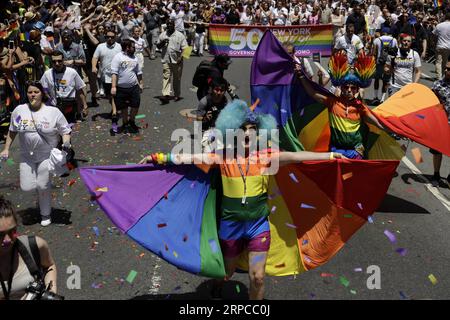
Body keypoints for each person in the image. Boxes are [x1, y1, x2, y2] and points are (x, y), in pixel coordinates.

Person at [139, 99, 346, 300]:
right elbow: (190, 157)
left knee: (257, 278)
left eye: (252, 128)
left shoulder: (267, 157)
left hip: (258, 226)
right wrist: (158, 158)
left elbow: (296, 157)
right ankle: (218, 284)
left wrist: (329, 157)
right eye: (242, 128)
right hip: (231, 226)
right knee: (226, 272)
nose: (247, 133)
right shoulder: (223, 157)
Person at [0, 82, 72, 227]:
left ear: (42, 94)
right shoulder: (19, 110)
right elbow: (13, 130)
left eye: (36, 92)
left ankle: (45, 214)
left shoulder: (53, 112)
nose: (32, 95)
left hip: (46, 156)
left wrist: (66, 143)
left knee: (43, 185)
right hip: (27, 156)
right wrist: (6, 148)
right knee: (27, 187)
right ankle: (40, 198)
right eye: (30, 92)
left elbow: (65, 130)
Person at [296, 51, 385, 159]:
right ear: (341, 88)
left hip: (356, 152)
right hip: (336, 151)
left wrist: (395, 130)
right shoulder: (332, 103)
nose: (349, 90)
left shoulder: (360, 107)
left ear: (357, 90)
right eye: (346, 87)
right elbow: (312, 93)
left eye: (353, 88)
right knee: (336, 176)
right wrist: (300, 74)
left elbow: (378, 123)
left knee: (355, 176)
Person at [0, 196, 58, 300]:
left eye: (12, 231)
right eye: (0, 234)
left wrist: (50, 292)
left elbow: (49, 266)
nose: (7, 239)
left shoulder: (34, 245)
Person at [40, 51, 88, 123]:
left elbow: (79, 89)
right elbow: (43, 90)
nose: (57, 64)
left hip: (70, 106)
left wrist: (85, 106)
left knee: (69, 128)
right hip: (55, 107)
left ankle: (76, 114)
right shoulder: (47, 74)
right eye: (54, 61)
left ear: (63, 60)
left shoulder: (72, 72)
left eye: (59, 61)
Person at [110, 39, 143, 135]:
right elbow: (114, 73)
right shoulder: (118, 57)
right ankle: (125, 123)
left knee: (135, 106)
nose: (135, 48)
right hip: (121, 88)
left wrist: (141, 83)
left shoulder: (135, 58)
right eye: (133, 47)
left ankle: (131, 121)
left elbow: (139, 72)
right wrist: (113, 87)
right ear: (127, 47)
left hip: (133, 87)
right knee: (123, 108)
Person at [92, 29, 122, 129]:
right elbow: (95, 58)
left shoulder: (119, 46)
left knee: (114, 94)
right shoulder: (100, 47)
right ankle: (115, 108)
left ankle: (114, 113)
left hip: (116, 75)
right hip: (105, 75)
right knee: (109, 95)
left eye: (112, 37)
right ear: (105, 37)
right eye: (107, 37)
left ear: (115, 37)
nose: (110, 38)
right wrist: (94, 66)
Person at [156, 19, 187, 104]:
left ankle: (176, 94)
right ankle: (166, 95)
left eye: (171, 24)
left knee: (177, 78)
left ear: (174, 25)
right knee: (166, 76)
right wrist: (163, 42)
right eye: (168, 24)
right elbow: (158, 47)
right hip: (166, 59)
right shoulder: (163, 35)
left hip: (177, 61)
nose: (169, 25)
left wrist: (181, 57)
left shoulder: (180, 35)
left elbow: (186, 49)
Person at [429, 58, 450, 187]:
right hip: (441, 124)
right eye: (446, 68)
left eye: (449, 69)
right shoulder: (438, 85)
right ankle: (436, 174)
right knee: (437, 151)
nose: (446, 70)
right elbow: (430, 103)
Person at [384, 33, 422, 97]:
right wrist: (388, 71)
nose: (406, 42)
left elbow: (418, 71)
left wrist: (414, 84)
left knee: (405, 106)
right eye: (404, 40)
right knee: (394, 106)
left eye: (408, 41)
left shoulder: (414, 54)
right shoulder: (394, 52)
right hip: (394, 86)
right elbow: (386, 67)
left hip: (408, 87)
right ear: (401, 41)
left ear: (411, 43)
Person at [372, 27, 397, 103]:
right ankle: (382, 99)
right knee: (385, 81)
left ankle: (376, 97)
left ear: (381, 32)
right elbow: (396, 51)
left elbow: (374, 53)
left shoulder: (377, 40)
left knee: (376, 79)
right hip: (389, 63)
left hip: (379, 62)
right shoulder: (394, 40)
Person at [433, 12, 450, 81]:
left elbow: (434, 34)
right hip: (448, 47)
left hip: (439, 45)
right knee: (444, 63)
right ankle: (442, 77)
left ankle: (439, 77)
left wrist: (435, 42)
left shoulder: (439, 25)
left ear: (445, 17)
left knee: (438, 62)